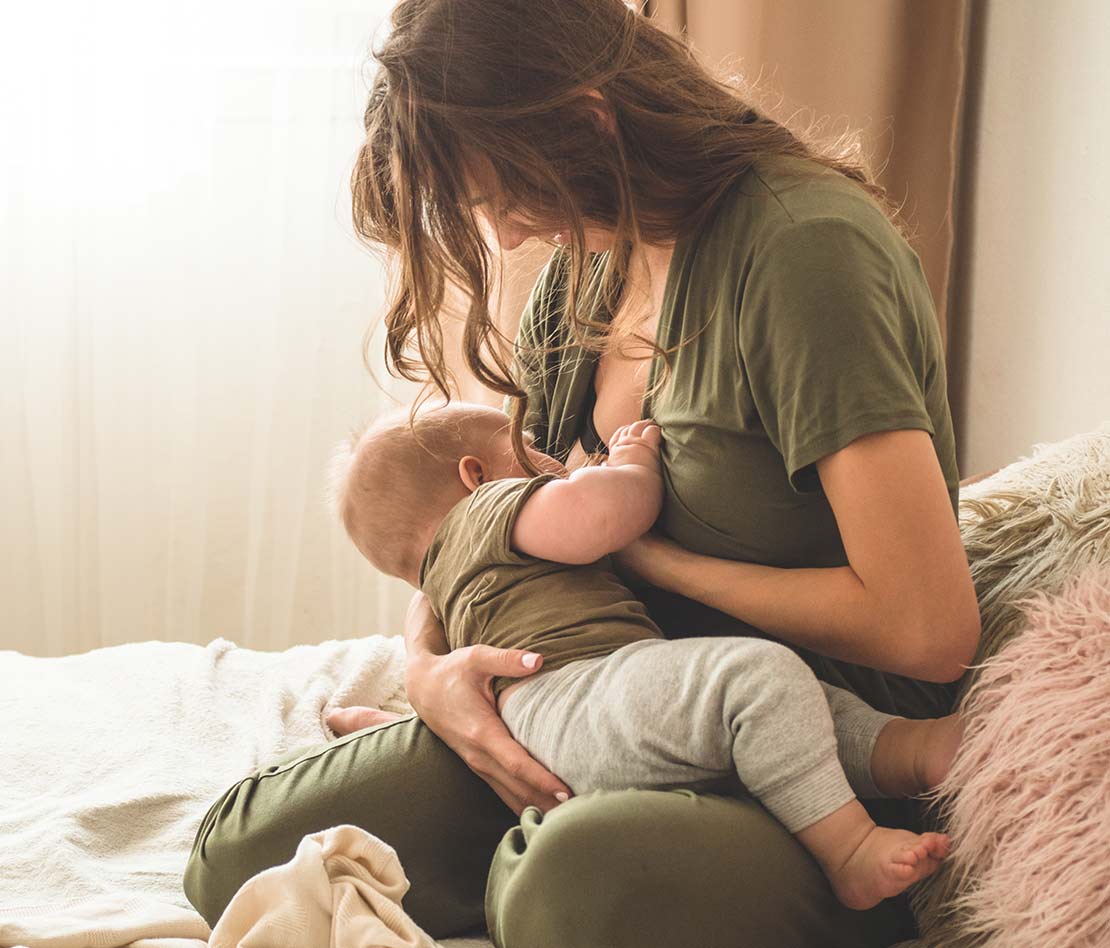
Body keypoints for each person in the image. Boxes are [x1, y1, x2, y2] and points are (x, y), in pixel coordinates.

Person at [183, 1, 981, 945]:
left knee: (565, 880)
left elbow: (929, 629)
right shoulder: (584, 275)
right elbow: (494, 515)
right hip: (607, 710)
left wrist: (661, 565)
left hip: (806, 745)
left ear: (589, 118)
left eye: (503, 193)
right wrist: (429, 670)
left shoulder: (801, 250)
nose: (509, 237)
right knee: (241, 852)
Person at [328, 400, 958, 911]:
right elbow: (599, 517)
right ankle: (849, 849)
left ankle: (918, 752)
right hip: (578, 695)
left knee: (783, 716)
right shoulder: (488, 511)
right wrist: (631, 463)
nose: (555, 462)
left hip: (555, 731)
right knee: (756, 681)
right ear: (477, 476)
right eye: (536, 453)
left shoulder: (444, 586)